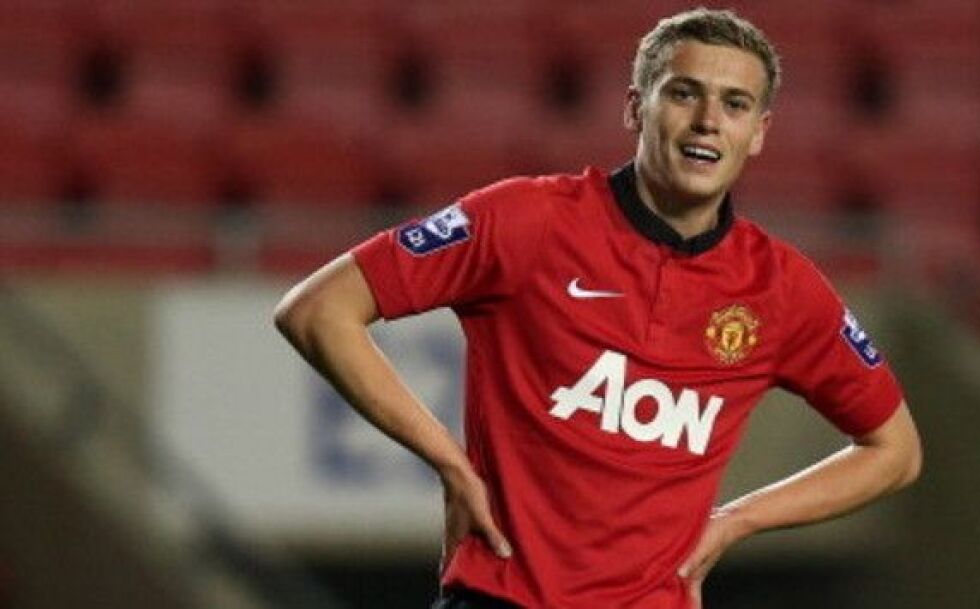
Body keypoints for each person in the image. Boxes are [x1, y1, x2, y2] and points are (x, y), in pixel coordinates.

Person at [274, 8, 922, 609]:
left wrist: (737, 519)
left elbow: (894, 451)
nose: (708, 120)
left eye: (735, 103)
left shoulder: (783, 288)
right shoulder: (527, 220)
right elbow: (317, 310)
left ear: (758, 133)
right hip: (502, 596)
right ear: (636, 108)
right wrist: (448, 461)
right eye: (683, 93)